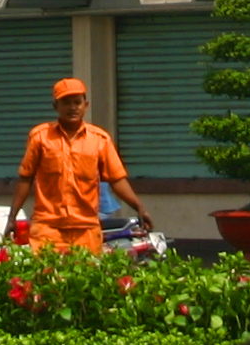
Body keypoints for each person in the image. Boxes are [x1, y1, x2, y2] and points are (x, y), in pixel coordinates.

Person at [8, 77, 152, 254]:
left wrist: (139, 207)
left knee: (85, 279)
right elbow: (25, 178)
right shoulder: (40, 137)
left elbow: (117, 180)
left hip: (86, 229)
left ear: (86, 105)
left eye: (77, 102)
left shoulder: (99, 140)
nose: (72, 107)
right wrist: (12, 217)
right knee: (47, 278)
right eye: (66, 103)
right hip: (48, 228)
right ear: (56, 106)